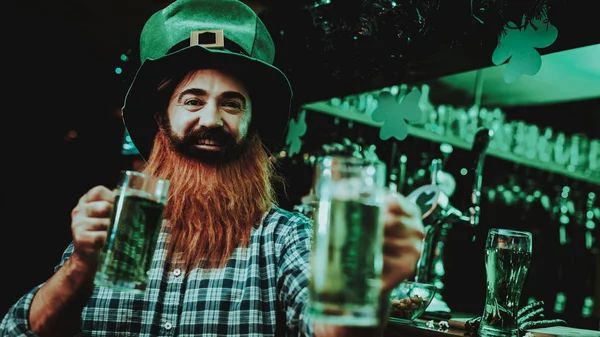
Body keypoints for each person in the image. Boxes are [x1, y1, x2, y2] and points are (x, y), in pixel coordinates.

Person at [0, 0, 425, 336]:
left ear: (253, 125)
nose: (211, 120)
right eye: (192, 100)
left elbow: (329, 330)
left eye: (232, 103)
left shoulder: (283, 239)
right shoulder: (116, 228)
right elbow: (19, 329)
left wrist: (372, 285)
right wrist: (79, 269)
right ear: (160, 119)